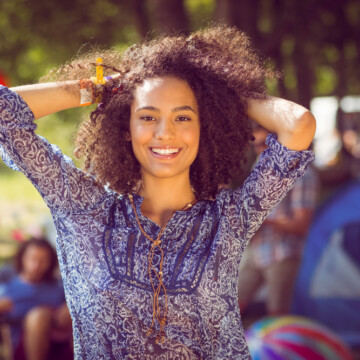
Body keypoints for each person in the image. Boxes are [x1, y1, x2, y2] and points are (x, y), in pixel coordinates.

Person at [0, 25, 316, 359]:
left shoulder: (230, 218)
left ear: (202, 128)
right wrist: (99, 88)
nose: (165, 133)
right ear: (126, 129)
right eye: (148, 116)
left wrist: (220, 93)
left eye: (183, 117)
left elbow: (298, 125)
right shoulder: (84, 210)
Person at [237, 124, 319, 317]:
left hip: (283, 254)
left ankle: (279, 347)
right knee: (228, 305)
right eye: (255, 143)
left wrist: (264, 219)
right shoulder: (259, 164)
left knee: (277, 316)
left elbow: (301, 226)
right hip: (256, 251)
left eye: (263, 142)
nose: (258, 146)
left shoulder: (302, 174)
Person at [0, 237, 72, 360]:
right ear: (22, 257)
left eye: (43, 260)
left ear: (51, 262)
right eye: (32, 258)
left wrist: (68, 308)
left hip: (58, 342)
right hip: (22, 347)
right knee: (38, 316)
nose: (36, 265)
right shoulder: (8, 285)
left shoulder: (58, 287)